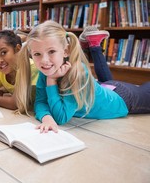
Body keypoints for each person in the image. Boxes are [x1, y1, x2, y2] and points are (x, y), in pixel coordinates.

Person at [19, 20, 150, 133]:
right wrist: (46, 117)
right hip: (107, 87)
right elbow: (40, 101)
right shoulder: (46, 70)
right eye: (37, 54)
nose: (44, 60)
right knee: (108, 80)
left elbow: (61, 117)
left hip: (124, 100)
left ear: (66, 51)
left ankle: (93, 46)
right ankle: (94, 45)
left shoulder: (77, 73)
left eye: (51, 51)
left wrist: (52, 80)